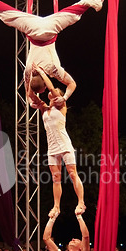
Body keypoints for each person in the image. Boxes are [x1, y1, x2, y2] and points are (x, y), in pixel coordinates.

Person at [0, 0, 117, 109]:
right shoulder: (28, 71)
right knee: (6, 12)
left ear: (45, 83)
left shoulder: (54, 70)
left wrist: (64, 98)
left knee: (76, 9)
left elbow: (72, 84)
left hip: (50, 29)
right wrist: (32, 101)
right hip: (31, 28)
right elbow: (28, 91)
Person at [28, 64, 85, 216]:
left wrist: (41, 72)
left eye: (55, 94)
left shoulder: (61, 106)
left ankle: (81, 202)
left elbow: (52, 87)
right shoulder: (44, 109)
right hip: (52, 148)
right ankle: (56, 206)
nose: (52, 94)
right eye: (51, 94)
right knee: (55, 178)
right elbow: (32, 96)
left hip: (65, 145)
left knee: (72, 173)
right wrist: (31, 79)